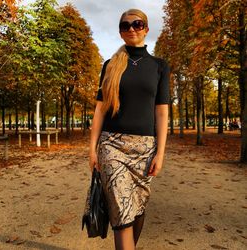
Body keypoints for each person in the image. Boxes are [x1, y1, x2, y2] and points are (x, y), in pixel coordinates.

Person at [89, 9, 169, 250]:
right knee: (122, 211)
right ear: (120, 32)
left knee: (137, 208)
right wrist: (92, 149)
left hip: (145, 149)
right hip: (112, 146)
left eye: (137, 24)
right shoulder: (110, 66)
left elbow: (162, 112)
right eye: (126, 25)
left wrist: (160, 153)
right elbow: (100, 110)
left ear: (146, 28)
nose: (131, 28)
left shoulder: (159, 66)